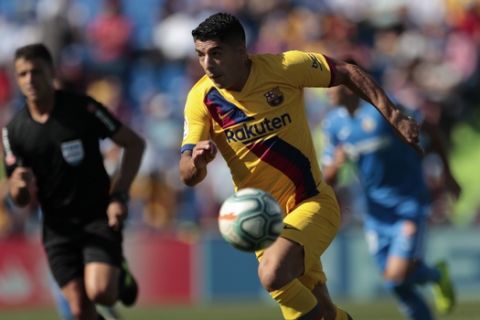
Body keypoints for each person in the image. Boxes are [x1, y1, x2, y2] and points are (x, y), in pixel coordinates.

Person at [179, 12, 421, 320]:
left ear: (241, 50)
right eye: (200, 55)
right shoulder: (200, 99)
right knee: (324, 313)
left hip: (312, 202)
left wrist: (393, 114)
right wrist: (197, 163)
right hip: (263, 224)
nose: (207, 65)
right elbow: (187, 173)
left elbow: (347, 71)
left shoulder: (285, 68)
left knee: (272, 275)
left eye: (216, 54)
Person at [2, 43, 145, 320]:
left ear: (51, 72)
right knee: (80, 310)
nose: (30, 79)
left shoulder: (83, 109)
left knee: (101, 292)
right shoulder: (14, 131)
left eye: (36, 71)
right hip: (57, 229)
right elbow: (18, 198)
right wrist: (19, 187)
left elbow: (134, 144)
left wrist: (119, 196)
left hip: (97, 216)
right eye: (22, 74)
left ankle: (120, 275)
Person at [321, 60, 460, 320]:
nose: (327, 90)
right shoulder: (334, 125)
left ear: (349, 85)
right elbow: (327, 177)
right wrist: (336, 166)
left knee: (397, 277)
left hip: (408, 202)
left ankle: (436, 275)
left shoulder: (381, 110)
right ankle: (433, 277)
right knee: (395, 284)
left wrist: (448, 173)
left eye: (332, 85)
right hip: (375, 212)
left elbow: (427, 126)